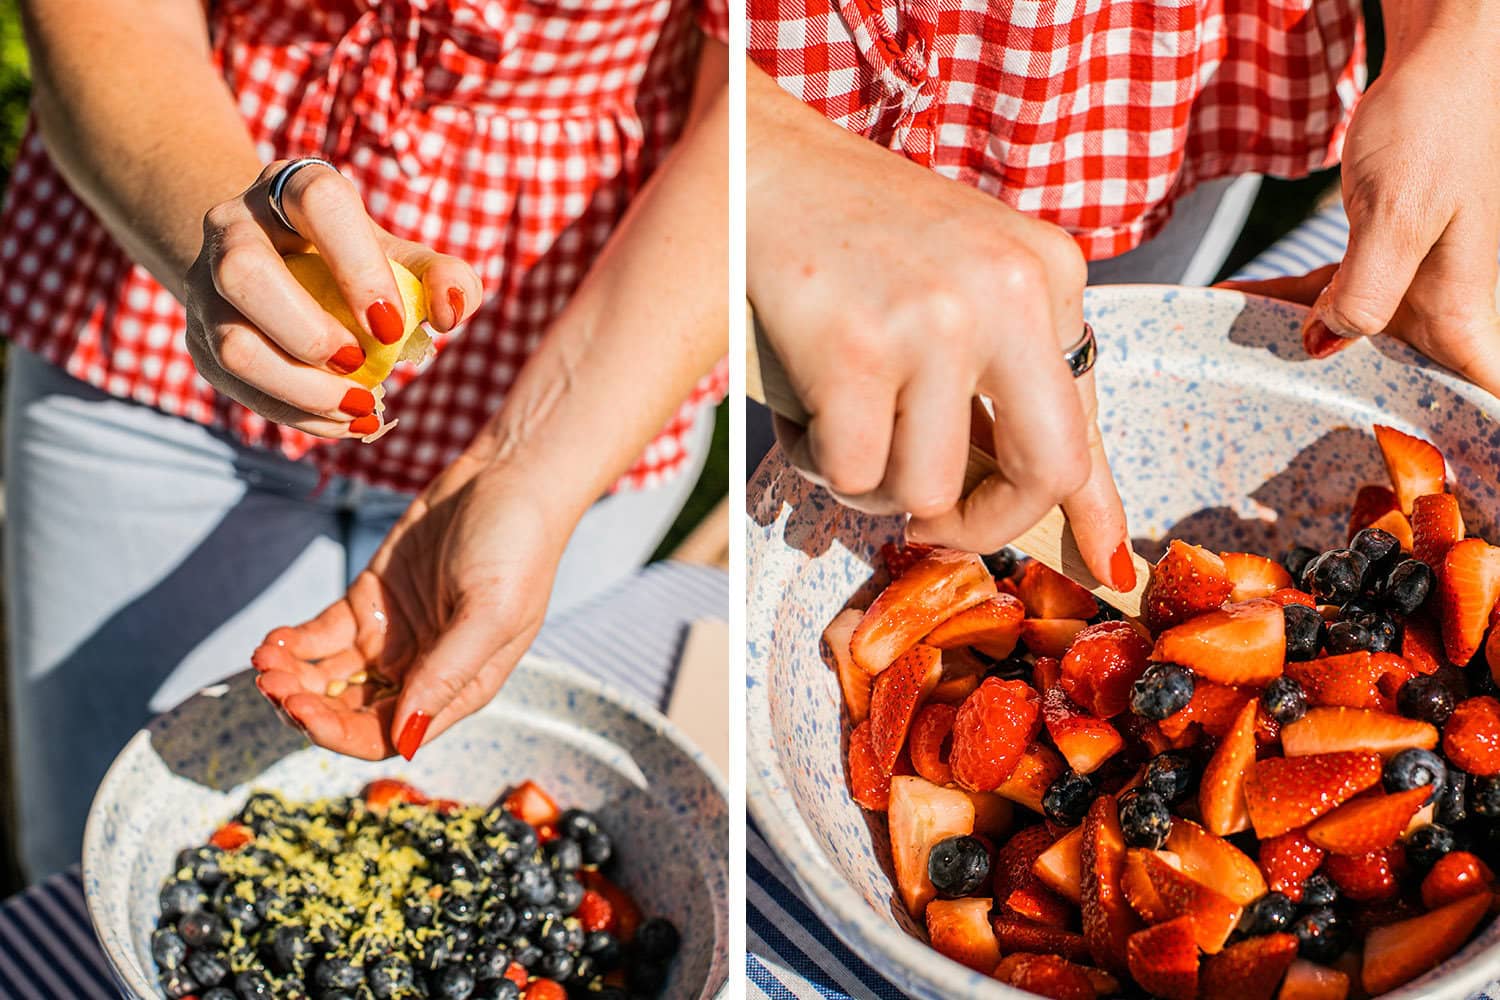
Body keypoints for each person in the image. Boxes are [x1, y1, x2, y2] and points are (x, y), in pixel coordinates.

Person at [1, 0, 727, 877]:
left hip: (589, 371)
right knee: (106, 854)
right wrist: (216, 232)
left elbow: (760, 124)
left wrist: (523, 470)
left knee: (470, 857)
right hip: (155, 302)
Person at [747, 0, 1500, 587]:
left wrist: (1462, 36)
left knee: (987, 459)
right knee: (771, 468)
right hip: (709, 152)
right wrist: (760, 158)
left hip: (1131, 86)